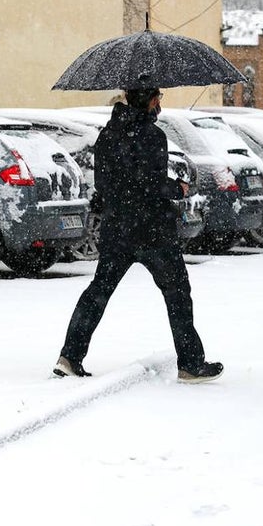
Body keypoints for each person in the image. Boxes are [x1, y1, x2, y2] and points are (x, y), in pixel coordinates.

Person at [54, 87, 223, 383]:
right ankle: (191, 363)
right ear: (151, 101)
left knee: (99, 291)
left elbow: (106, 185)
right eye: (159, 99)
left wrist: (123, 202)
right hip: (152, 230)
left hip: (117, 228)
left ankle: (70, 356)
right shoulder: (152, 136)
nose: (160, 105)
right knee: (177, 293)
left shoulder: (107, 135)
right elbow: (151, 184)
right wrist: (177, 189)